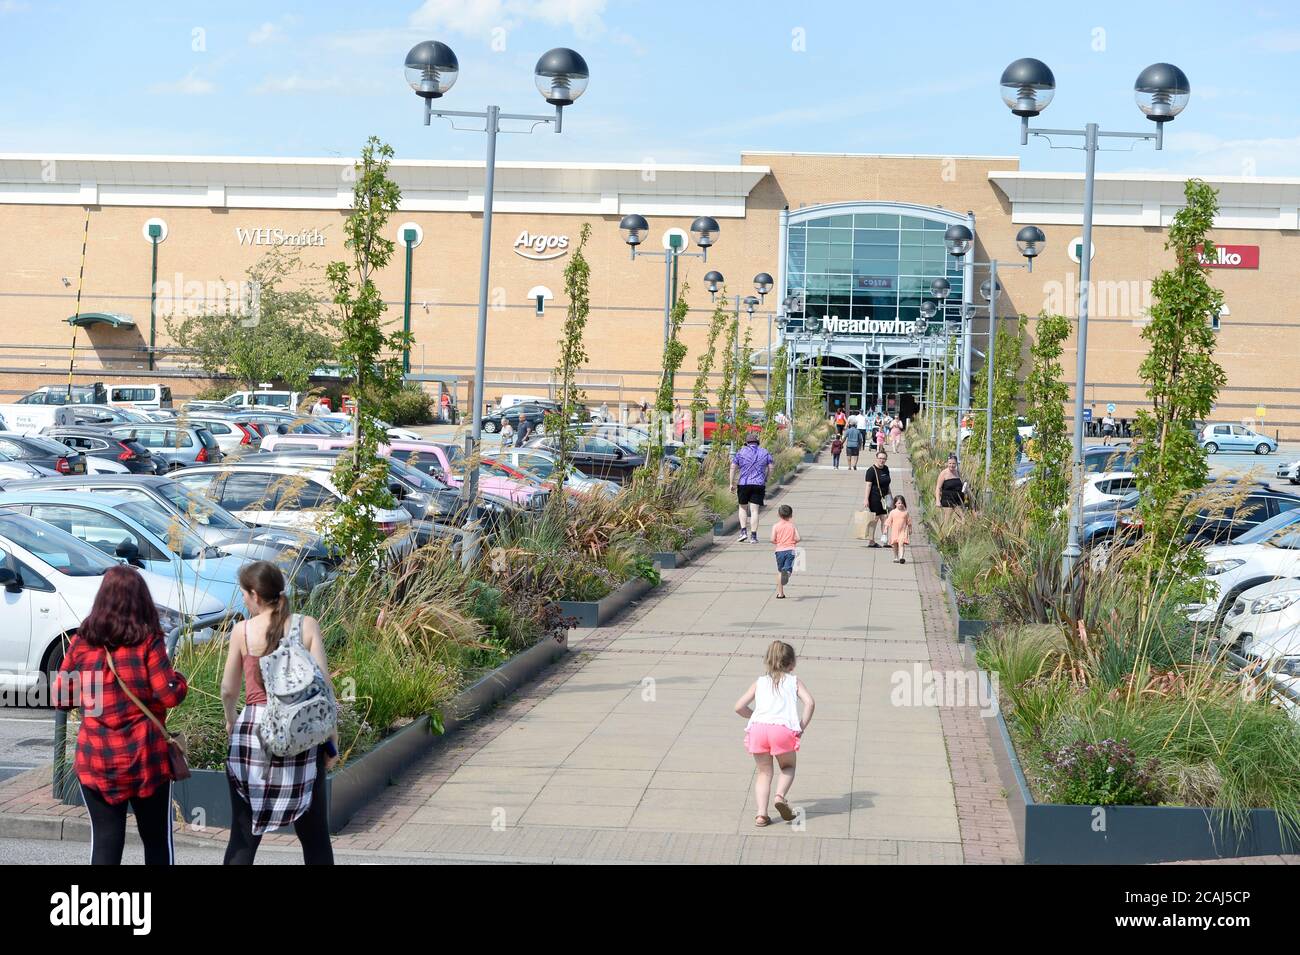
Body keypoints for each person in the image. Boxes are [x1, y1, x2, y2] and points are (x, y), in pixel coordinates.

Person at [52, 565, 188, 865]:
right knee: (156, 842)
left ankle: (103, 911)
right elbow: (169, 694)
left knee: (104, 843)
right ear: (141, 601)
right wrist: (179, 680)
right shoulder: (149, 642)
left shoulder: (82, 643)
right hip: (145, 758)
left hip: (97, 758)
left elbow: (60, 697)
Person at [222, 561, 337, 865]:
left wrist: (231, 718)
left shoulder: (242, 631)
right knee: (314, 836)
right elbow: (324, 686)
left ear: (255, 595)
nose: (244, 601)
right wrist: (331, 738)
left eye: (244, 595)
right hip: (300, 729)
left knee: (244, 835)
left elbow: (228, 689)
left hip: (253, 732)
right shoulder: (306, 624)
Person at [734, 641, 816, 827]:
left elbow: (738, 707)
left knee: (764, 773)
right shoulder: (794, 681)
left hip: (758, 729)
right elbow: (810, 703)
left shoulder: (759, 682)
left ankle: (761, 815)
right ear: (792, 664)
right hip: (782, 730)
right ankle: (779, 797)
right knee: (787, 767)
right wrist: (801, 727)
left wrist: (755, 716)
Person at [730, 432, 775, 544]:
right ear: (757, 442)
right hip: (758, 484)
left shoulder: (741, 452)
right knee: (755, 511)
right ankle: (753, 536)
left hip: (744, 484)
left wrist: (731, 483)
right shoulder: (765, 452)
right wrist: (766, 478)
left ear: (747, 442)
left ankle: (743, 532)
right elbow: (771, 467)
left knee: (742, 508)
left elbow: (733, 467)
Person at [863, 449, 892, 547]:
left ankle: (885, 540)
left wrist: (890, 498)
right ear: (876, 458)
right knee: (874, 519)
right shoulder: (871, 470)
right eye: (880, 458)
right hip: (874, 498)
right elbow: (868, 486)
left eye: (884, 459)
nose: (882, 460)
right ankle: (871, 541)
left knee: (885, 519)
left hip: (884, 498)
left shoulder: (886, 469)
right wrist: (866, 499)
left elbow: (887, 485)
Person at [771, 504, 801, 598]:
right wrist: (793, 541)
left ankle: (780, 593)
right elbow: (798, 538)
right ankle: (787, 574)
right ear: (791, 515)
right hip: (790, 550)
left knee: (780, 571)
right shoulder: (792, 526)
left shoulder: (775, 526)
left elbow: (772, 539)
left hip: (779, 551)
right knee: (787, 569)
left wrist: (777, 542)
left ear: (778, 515)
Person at [886, 495, 913, 564]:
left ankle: (901, 557)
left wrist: (910, 529)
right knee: (895, 545)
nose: (900, 504)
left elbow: (909, 522)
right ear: (895, 504)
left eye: (902, 503)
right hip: (894, 531)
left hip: (903, 531)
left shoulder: (905, 512)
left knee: (901, 544)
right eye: (899, 503)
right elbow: (888, 521)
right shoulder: (893, 512)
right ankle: (896, 557)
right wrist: (885, 529)